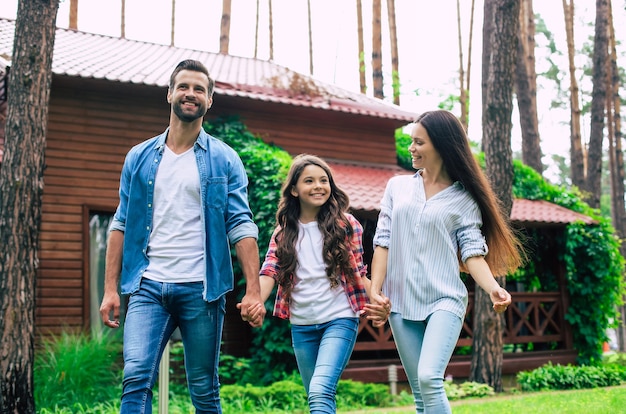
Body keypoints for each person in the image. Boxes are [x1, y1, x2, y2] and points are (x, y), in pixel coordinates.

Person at [99, 59, 265, 413]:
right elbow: (121, 223)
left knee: (204, 389)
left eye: (200, 89)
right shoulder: (139, 157)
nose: (191, 94)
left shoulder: (225, 159)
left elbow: (241, 225)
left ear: (210, 100)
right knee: (135, 377)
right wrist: (110, 288)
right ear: (170, 93)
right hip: (147, 285)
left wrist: (253, 290)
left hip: (201, 289)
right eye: (185, 87)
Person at [368, 110, 524, 413]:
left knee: (429, 378)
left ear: (440, 145)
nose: (411, 148)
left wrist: (493, 287)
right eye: (411, 141)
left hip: (445, 300)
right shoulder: (396, 187)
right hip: (401, 303)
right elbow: (383, 241)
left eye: (419, 142)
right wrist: (376, 289)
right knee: (419, 395)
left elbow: (472, 251)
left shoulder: (463, 199)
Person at [242, 154, 390, 414]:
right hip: (302, 325)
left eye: (324, 180)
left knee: (320, 390)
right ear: (295, 190)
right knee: (318, 398)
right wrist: (255, 300)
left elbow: (358, 271)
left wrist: (376, 297)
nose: (318, 186)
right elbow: (270, 271)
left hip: (339, 318)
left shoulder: (346, 225)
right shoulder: (283, 232)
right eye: (309, 181)